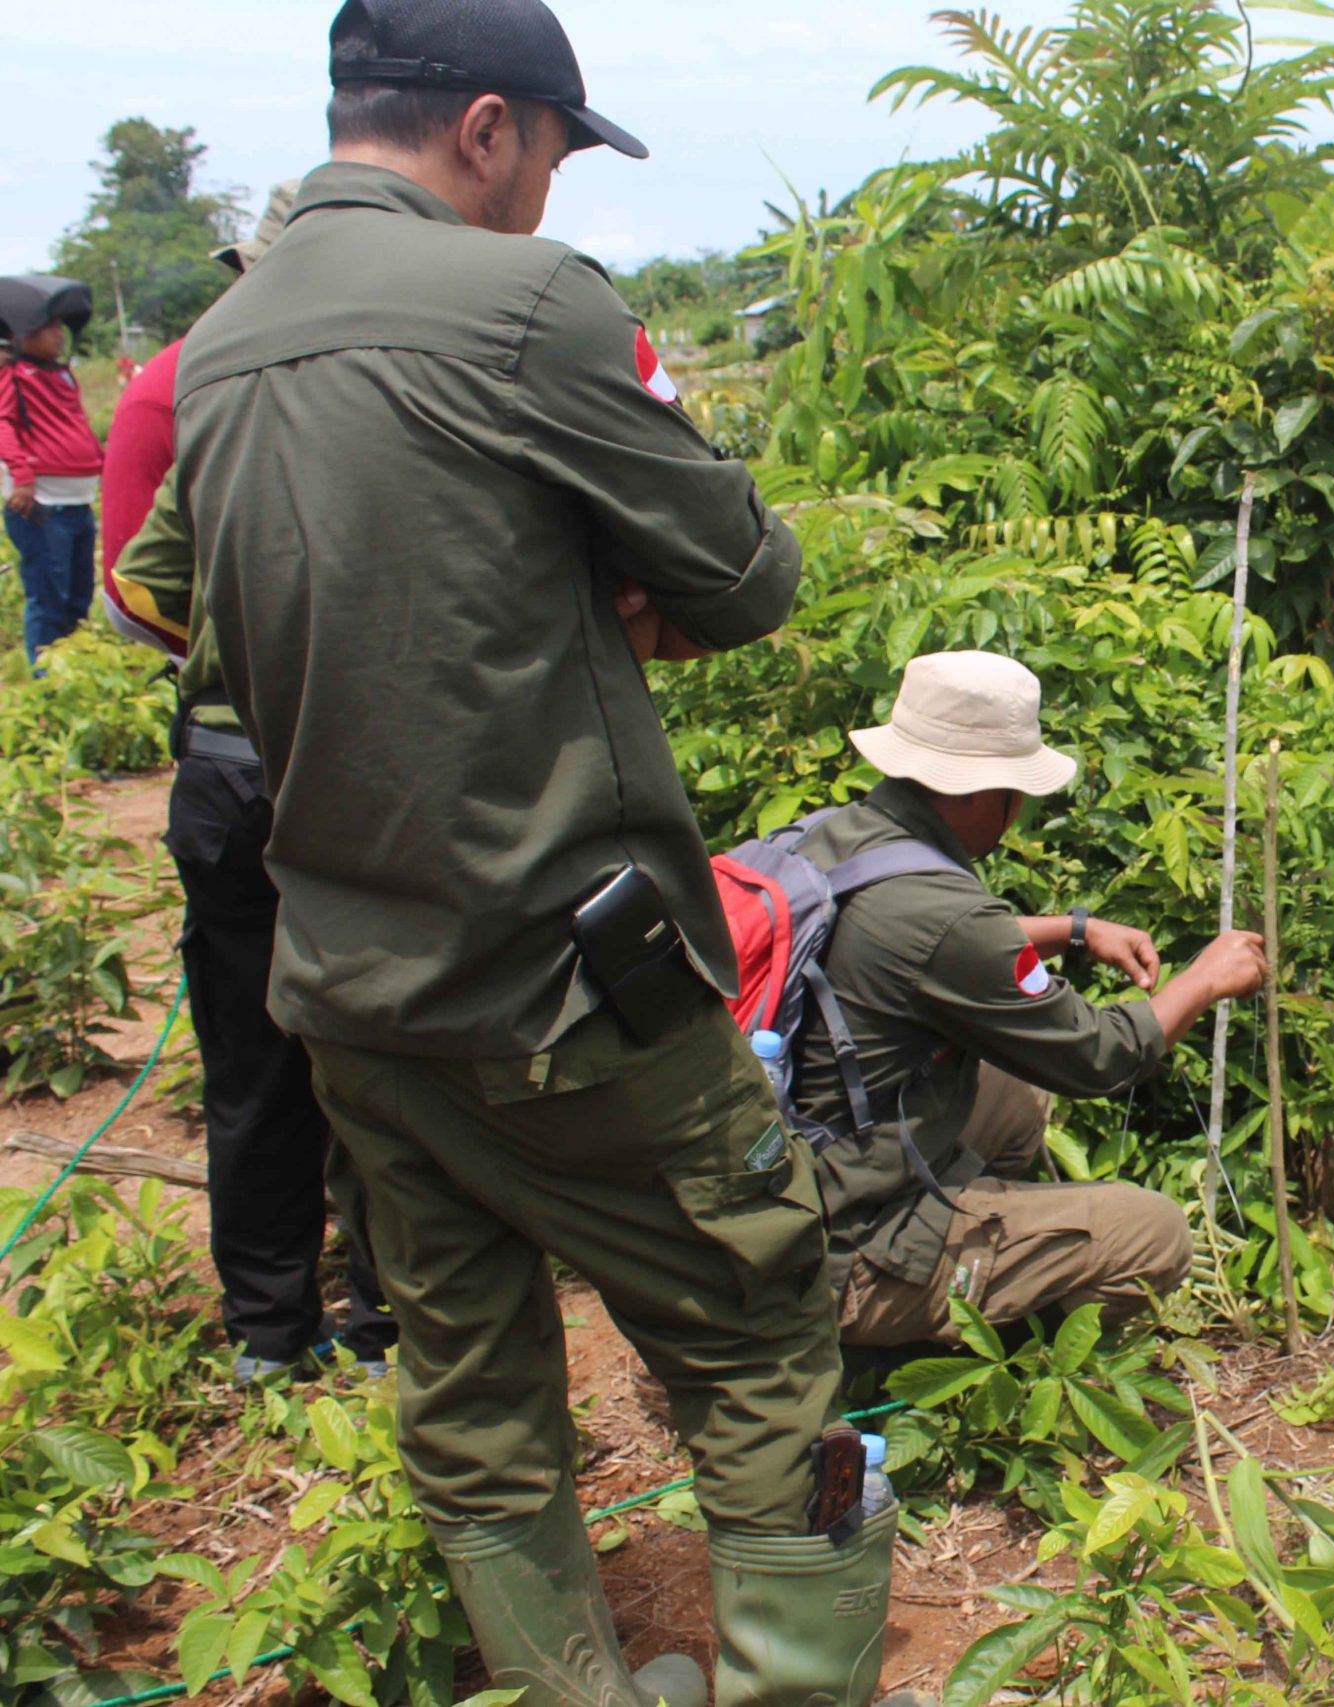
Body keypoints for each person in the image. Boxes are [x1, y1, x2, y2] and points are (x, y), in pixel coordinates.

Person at [121, 3, 893, 1703]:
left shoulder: (221, 344)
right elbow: (741, 577)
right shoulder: (531, 303)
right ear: (487, 129)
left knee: (471, 1386)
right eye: (550, 149)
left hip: (349, 990)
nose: (548, 186)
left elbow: (162, 601)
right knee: (760, 1327)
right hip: (569, 990)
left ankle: (576, 1689)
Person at [101, 180, 400, 1387]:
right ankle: (391, 1322)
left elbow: (138, 593)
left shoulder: (196, 384)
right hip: (368, 767)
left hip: (232, 764)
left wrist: (241, 660)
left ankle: (271, 1336)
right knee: (390, 1053)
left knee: (255, 1062)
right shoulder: (403, 384)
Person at [790, 651, 1269, 1348]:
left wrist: (1073, 930)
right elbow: (1100, 1054)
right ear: (986, 792)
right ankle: (952, 1343)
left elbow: (921, 947)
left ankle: (980, 1252)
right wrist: (1204, 977)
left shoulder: (835, 833)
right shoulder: (946, 915)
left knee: (1011, 1090)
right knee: (1154, 1234)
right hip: (842, 1252)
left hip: (798, 1181)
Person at [0, 276, 104, 671]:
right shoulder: (12, 376)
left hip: (77, 502)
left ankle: (75, 667)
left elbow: (76, 424)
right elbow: (2, 424)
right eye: (50, 327)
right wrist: (23, 476)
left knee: (79, 595)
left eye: (62, 326)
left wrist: (103, 459)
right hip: (43, 505)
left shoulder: (61, 376)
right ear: (24, 333)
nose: (59, 335)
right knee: (48, 595)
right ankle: (47, 675)